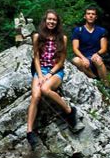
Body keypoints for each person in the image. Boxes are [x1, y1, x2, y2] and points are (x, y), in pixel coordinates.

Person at [26, 9, 83, 147]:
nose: (51, 22)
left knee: (45, 89)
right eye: (49, 19)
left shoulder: (62, 38)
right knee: (36, 95)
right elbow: (36, 58)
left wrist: (49, 74)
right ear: (45, 21)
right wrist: (40, 75)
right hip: (41, 70)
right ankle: (29, 132)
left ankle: (69, 110)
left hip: (55, 71)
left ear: (57, 23)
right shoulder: (37, 37)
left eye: (54, 20)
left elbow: (61, 61)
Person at [72, 6, 109, 82]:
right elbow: (75, 48)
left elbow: (104, 48)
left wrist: (97, 54)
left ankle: (106, 85)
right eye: (88, 14)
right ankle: (94, 79)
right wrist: (83, 58)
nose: (91, 15)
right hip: (83, 59)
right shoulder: (78, 30)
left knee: (97, 60)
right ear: (85, 16)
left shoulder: (101, 31)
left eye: (93, 14)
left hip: (95, 58)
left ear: (96, 17)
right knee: (75, 60)